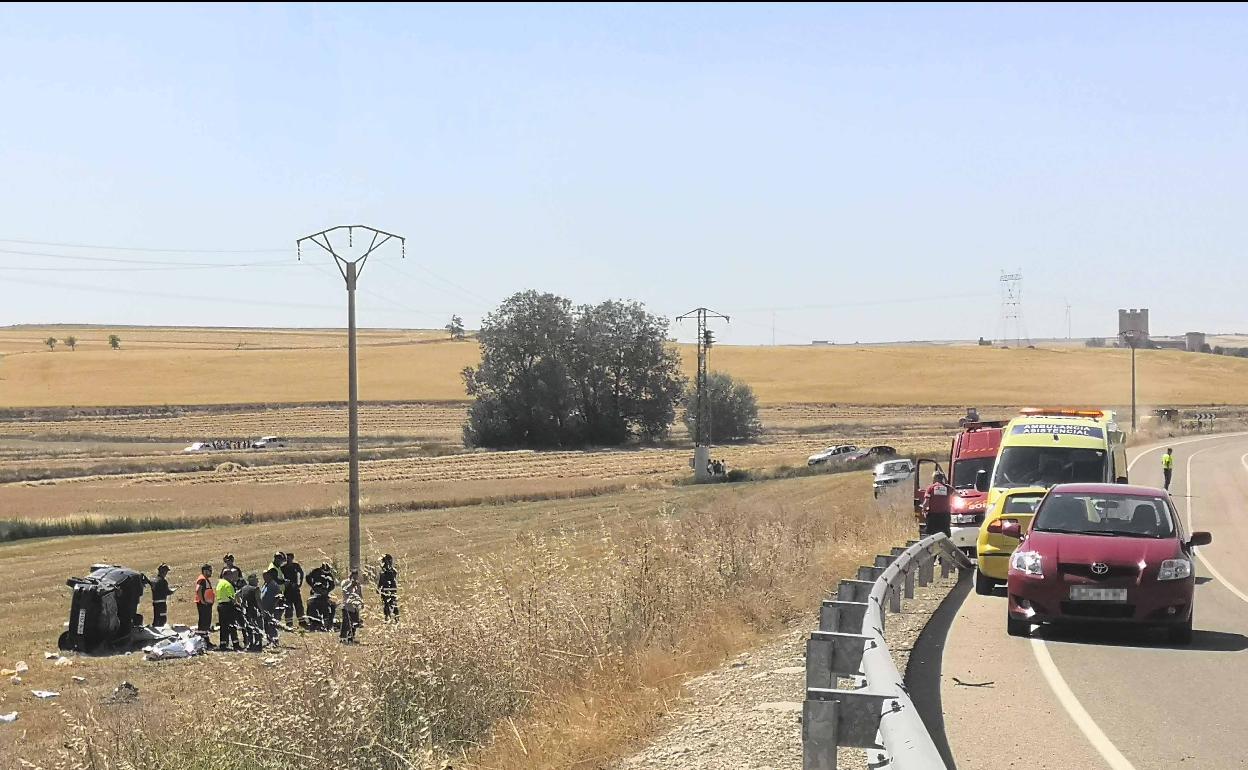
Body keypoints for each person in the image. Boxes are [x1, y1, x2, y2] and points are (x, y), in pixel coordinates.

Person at [216, 573, 242, 651]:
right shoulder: (227, 584)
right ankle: (235, 644)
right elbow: (231, 597)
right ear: (226, 575)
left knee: (223, 626)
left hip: (221, 606)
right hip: (228, 606)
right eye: (231, 575)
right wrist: (238, 604)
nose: (232, 577)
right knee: (232, 625)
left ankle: (223, 644)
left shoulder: (219, 584)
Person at [922, 471, 953, 538]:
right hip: (945, 516)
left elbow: (926, 502)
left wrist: (923, 509)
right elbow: (958, 495)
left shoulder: (931, 488)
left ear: (935, 478)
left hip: (934, 516)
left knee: (931, 535)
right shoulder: (948, 488)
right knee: (946, 536)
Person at [236, 574, 262, 651]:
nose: (257, 580)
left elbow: (236, 595)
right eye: (256, 579)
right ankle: (258, 644)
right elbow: (258, 601)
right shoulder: (256, 589)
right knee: (257, 627)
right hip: (254, 611)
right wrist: (262, 610)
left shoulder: (244, 588)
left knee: (249, 628)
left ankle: (250, 644)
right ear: (251, 580)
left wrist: (240, 603)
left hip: (246, 611)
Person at [339, 569, 364, 643]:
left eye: (356, 575)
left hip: (355, 606)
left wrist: (361, 602)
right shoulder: (345, 582)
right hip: (347, 605)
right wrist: (351, 585)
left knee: (355, 622)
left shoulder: (358, 584)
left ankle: (351, 637)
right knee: (346, 623)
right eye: (353, 574)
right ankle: (343, 637)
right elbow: (345, 591)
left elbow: (360, 594)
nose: (355, 576)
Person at [260, 569, 283, 646]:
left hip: (272, 609)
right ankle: (269, 641)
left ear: (270, 575)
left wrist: (275, 606)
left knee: (272, 625)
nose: (264, 577)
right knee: (266, 626)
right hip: (265, 609)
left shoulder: (273, 585)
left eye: (266, 575)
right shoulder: (265, 584)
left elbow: (279, 596)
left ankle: (275, 641)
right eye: (263, 576)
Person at [280, 552, 305, 625]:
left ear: (293, 558)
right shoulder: (283, 568)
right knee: (288, 606)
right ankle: (289, 622)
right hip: (287, 590)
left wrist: (300, 583)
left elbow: (301, 573)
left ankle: (302, 621)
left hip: (295, 589)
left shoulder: (295, 566)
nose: (288, 560)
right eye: (287, 558)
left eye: (290, 558)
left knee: (299, 605)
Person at [194, 564, 215, 643]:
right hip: (203, 604)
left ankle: (206, 640)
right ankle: (203, 641)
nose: (211, 572)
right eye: (209, 571)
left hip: (206, 603)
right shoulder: (202, 579)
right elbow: (198, 590)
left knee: (207, 622)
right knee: (204, 622)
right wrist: (202, 601)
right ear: (205, 571)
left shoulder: (205, 579)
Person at [378, 554, 399, 622]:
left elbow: (382, 581)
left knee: (387, 604)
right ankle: (395, 617)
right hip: (391, 590)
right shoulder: (393, 571)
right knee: (392, 603)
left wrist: (379, 588)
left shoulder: (385, 571)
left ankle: (389, 617)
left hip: (387, 590)